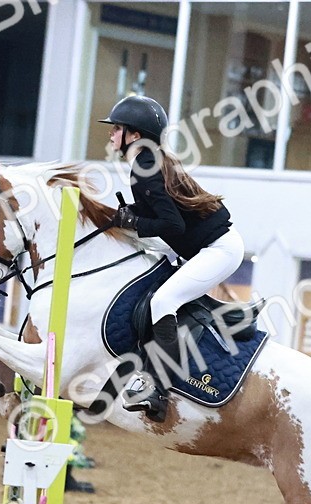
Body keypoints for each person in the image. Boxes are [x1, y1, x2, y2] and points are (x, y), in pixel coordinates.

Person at [99, 95, 245, 422]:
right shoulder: (148, 163)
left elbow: (172, 224)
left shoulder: (145, 166)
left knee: (163, 301)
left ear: (134, 134)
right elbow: (160, 214)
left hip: (218, 249)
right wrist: (126, 215)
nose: (111, 135)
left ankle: (158, 392)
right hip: (197, 247)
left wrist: (132, 222)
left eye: (117, 129)